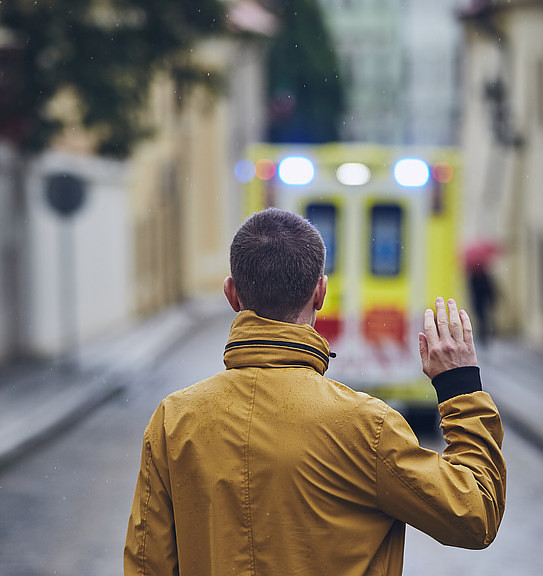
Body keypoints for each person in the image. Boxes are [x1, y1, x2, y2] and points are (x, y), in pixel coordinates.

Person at [124, 208, 506, 576]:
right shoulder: (366, 426)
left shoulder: (174, 419)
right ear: (320, 292)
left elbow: (147, 564)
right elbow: (475, 516)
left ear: (232, 294)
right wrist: (460, 386)